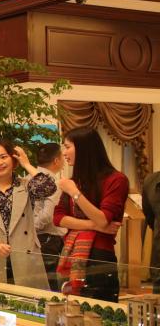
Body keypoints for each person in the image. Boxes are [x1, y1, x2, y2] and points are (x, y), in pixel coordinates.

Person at [0, 138, 56, 288]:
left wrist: (26, 164)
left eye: (3, 157)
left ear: (13, 159)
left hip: (25, 256)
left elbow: (49, 187)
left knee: (29, 300)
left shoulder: (27, 186)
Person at [53, 126, 128, 302]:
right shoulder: (75, 181)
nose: (64, 153)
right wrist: (94, 226)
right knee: (70, 309)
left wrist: (75, 193)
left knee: (99, 311)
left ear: (83, 148)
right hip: (71, 253)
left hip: (99, 257)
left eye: (68, 147)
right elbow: (58, 218)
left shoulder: (116, 180)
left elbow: (102, 219)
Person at [33, 142, 67, 282]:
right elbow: (48, 215)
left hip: (32, 238)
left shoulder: (29, 178)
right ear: (56, 160)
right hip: (48, 239)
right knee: (49, 283)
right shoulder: (53, 181)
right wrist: (33, 228)